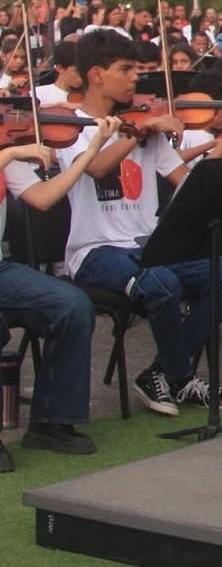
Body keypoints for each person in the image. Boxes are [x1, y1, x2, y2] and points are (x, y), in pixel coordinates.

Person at [56, 30, 222, 418]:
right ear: (96, 74)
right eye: (126, 70)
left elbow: (190, 185)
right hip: (95, 251)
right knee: (162, 283)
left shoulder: (146, 127)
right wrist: (139, 131)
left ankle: (160, 372)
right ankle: (181, 378)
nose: (135, 79)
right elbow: (95, 167)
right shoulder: (70, 127)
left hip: (146, 246)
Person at [0, 117, 121, 470]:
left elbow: (45, 197)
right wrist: (12, 153)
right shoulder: (9, 154)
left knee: (71, 305)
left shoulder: (9, 156)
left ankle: (51, 422)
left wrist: (92, 150)